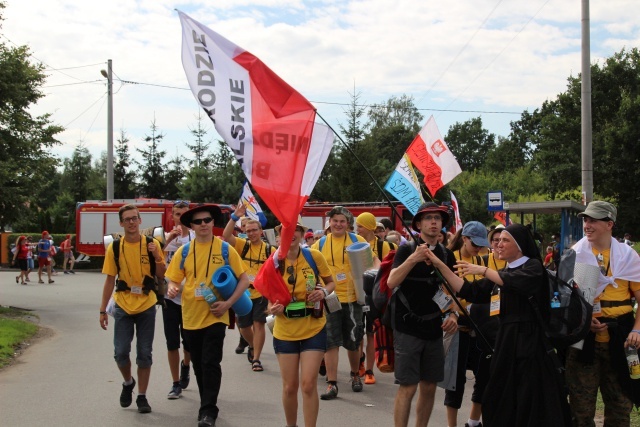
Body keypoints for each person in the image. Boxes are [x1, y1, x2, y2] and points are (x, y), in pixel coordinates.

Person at [426, 223, 569, 427]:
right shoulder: (502, 273)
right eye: (498, 240)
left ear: (519, 245)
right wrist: (439, 264)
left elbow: (512, 282)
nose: (498, 245)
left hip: (529, 344)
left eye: (505, 240)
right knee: (499, 394)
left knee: (529, 397)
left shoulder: (533, 267)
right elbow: (466, 289)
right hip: (506, 342)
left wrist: (482, 270)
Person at [165, 204, 249, 427]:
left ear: (213, 223)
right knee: (199, 365)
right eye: (198, 221)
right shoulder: (184, 252)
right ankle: (206, 404)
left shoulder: (224, 249)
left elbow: (244, 279)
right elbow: (172, 278)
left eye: (207, 220)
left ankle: (209, 410)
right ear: (191, 226)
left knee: (211, 362)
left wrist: (228, 303)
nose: (203, 224)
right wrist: (172, 287)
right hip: (191, 316)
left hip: (216, 315)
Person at [566, 201, 640, 426]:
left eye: (593, 220)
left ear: (609, 224)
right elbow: (564, 300)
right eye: (585, 220)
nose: (587, 225)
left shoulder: (628, 257)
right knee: (581, 409)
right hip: (584, 338)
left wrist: (637, 329)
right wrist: (583, 323)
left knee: (620, 406)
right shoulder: (575, 255)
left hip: (621, 339)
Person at [387, 202, 458, 427]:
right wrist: (414, 258)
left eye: (437, 218)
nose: (434, 222)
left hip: (434, 328)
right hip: (407, 326)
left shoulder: (447, 254)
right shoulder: (407, 249)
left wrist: (454, 316)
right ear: (418, 224)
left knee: (429, 386)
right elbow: (391, 282)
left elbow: (453, 291)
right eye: (428, 218)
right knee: (408, 386)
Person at [99, 204, 166, 414]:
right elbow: (110, 279)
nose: (131, 222)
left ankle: (142, 396)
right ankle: (128, 383)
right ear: (121, 223)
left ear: (140, 220)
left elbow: (162, 274)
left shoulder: (151, 243)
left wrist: (156, 256)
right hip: (123, 305)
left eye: (134, 218)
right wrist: (102, 310)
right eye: (127, 219)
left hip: (146, 304)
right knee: (120, 353)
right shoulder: (115, 248)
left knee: (144, 354)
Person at [268, 221, 336, 427]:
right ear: (279, 237)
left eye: (296, 230)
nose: (291, 234)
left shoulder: (314, 256)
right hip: (285, 330)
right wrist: (272, 308)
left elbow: (331, 282)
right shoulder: (273, 262)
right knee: (290, 387)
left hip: (313, 327)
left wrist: (323, 292)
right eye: (285, 231)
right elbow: (269, 297)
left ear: (301, 234)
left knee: (308, 385)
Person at [311, 206, 372, 400]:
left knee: (353, 341)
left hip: (353, 299)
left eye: (342, 221)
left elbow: (371, 264)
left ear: (348, 224)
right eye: (335, 220)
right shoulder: (319, 245)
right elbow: (311, 271)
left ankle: (355, 375)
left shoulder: (358, 241)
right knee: (331, 341)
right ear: (329, 222)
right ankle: (332, 383)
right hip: (330, 299)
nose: (338, 224)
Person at [444, 221, 489, 427]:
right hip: (457, 326)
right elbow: (443, 292)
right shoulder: (449, 259)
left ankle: (473, 422)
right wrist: (454, 311)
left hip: (479, 327)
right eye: (475, 244)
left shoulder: (482, 261)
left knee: (484, 377)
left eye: (482, 244)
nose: (478, 248)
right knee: (455, 381)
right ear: (464, 239)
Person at [222, 203, 274, 372]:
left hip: (261, 293)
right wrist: (235, 216)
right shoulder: (241, 245)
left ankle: (257, 359)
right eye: (248, 231)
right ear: (245, 232)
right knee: (243, 326)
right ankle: (252, 345)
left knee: (258, 324)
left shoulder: (270, 250)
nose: (251, 233)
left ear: (261, 232)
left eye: (254, 230)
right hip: (243, 293)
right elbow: (226, 234)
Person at [161, 200, 195, 399]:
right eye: (176, 214)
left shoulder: (194, 238)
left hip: (189, 298)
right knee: (172, 342)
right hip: (169, 298)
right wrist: (167, 242)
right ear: (171, 217)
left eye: (184, 214)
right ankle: (175, 383)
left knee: (188, 342)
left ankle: (186, 365)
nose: (180, 218)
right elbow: (152, 261)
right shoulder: (164, 238)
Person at [355, 212, 391, 385]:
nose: (357, 229)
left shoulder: (383, 245)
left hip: (374, 296)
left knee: (371, 333)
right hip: (356, 293)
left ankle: (370, 370)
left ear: (369, 227)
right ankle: (359, 363)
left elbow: (391, 267)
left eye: (360, 226)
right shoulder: (354, 242)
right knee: (357, 334)